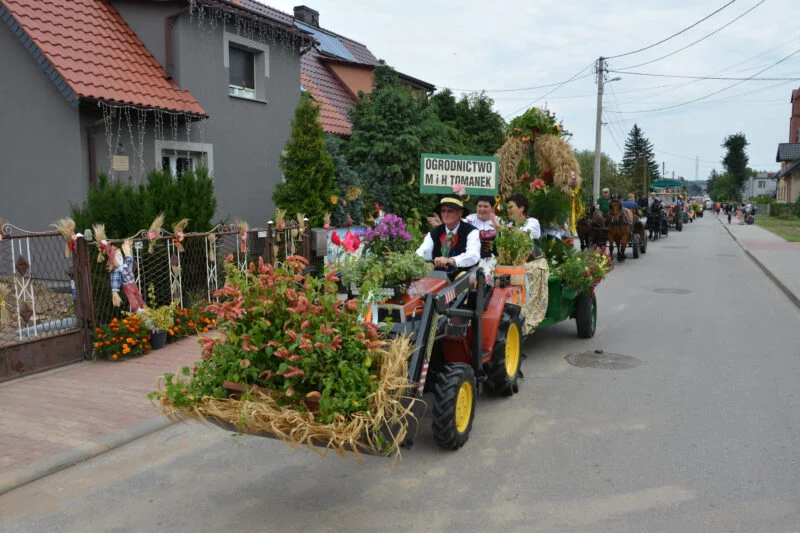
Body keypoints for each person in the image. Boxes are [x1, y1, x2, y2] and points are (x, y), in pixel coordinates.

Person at [416, 197, 480, 277]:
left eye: (450, 211)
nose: (445, 215)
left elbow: (473, 255)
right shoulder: (434, 233)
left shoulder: (472, 232)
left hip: (463, 280)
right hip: (437, 279)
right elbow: (422, 252)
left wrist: (451, 260)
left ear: (460, 213)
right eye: (443, 211)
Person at [106, 239, 146, 313]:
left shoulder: (125, 266)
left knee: (138, 296)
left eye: (121, 255)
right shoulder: (116, 271)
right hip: (127, 286)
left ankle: (143, 307)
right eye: (117, 256)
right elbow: (115, 281)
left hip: (133, 284)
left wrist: (127, 251)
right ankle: (137, 309)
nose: (120, 257)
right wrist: (115, 291)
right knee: (132, 298)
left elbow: (129, 260)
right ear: (113, 260)